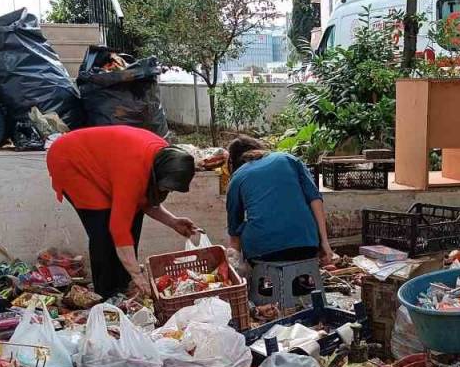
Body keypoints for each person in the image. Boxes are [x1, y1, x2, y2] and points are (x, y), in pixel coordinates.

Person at [46, 125, 199, 298]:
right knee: (103, 230)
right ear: (157, 174)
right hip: (71, 160)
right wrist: (137, 275)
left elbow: (142, 201)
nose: (168, 191)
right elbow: (119, 229)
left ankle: (124, 286)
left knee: (132, 217)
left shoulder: (165, 159)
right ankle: (106, 293)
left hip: (106, 163)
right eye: (166, 187)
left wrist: (173, 221)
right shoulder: (133, 171)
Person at [225, 137, 335, 268]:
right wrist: (324, 243)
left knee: (242, 227)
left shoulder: (237, 177)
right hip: (307, 247)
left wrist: (234, 266)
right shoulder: (288, 159)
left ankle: (257, 278)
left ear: (233, 161)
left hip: (263, 252)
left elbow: (234, 235)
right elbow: (315, 200)